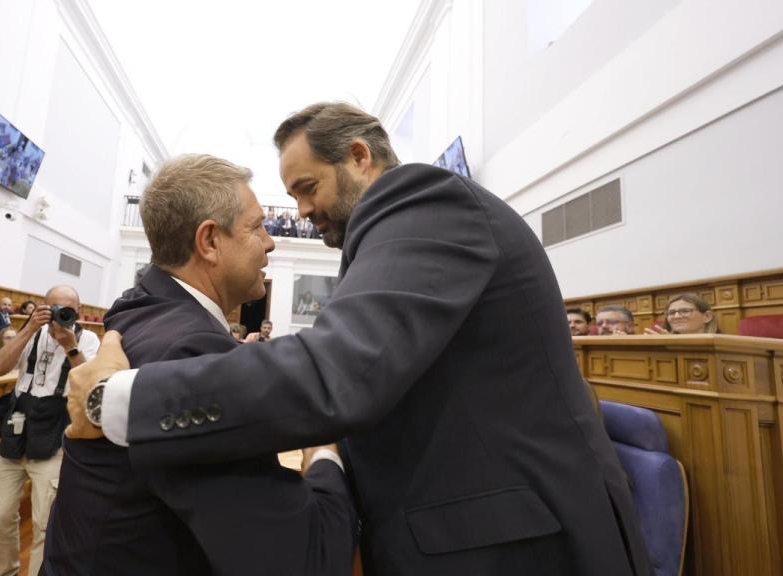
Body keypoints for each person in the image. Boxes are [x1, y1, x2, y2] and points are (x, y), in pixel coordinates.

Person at [68, 102, 650, 575]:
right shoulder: (378, 245)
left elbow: (339, 371)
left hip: (517, 546)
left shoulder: (423, 198)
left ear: (359, 156)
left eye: (306, 187)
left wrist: (120, 398)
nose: (297, 213)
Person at [44, 154, 356, 576]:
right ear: (209, 241)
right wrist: (323, 453)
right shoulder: (193, 349)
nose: (270, 242)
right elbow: (307, 556)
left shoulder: (137, 309)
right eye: (256, 226)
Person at [0, 286, 99, 576]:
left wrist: (70, 346)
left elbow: (89, 386)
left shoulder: (89, 339)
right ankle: (3, 571)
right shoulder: (30, 332)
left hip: (54, 433)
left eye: (67, 309)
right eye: (54, 308)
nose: (60, 315)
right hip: (17, 429)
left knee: (46, 523)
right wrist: (29, 328)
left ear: (78, 310)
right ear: (42, 308)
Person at [644, 293, 719, 335]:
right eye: (671, 313)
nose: (676, 316)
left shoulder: (723, 344)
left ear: (707, 316)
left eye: (685, 311)